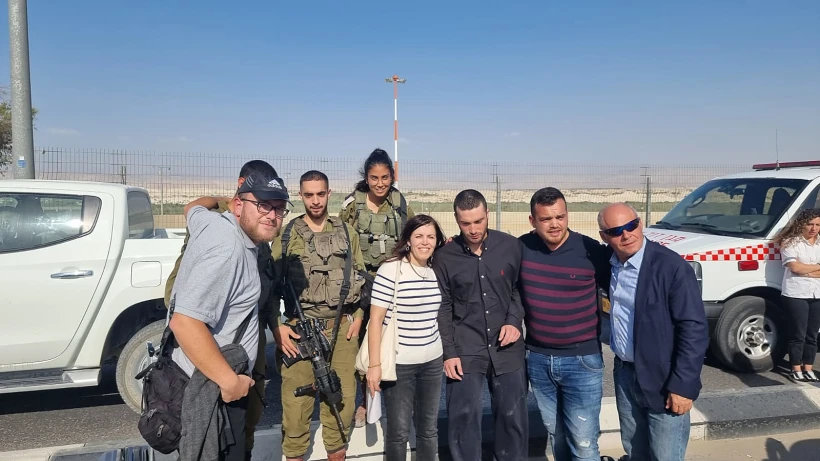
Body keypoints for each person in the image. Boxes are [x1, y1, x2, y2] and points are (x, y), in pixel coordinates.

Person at [169, 171, 291, 461]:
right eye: (262, 206)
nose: (272, 216)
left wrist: (216, 200)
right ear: (238, 206)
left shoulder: (211, 222)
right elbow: (184, 321)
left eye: (278, 208)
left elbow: (192, 209)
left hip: (204, 379)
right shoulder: (229, 249)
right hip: (213, 390)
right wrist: (230, 382)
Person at [597, 203, 709, 461]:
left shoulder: (671, 268)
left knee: (665, 456)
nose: (626, 235)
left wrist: (683, 386)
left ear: (640, 222)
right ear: (604, 236)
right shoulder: (610, 264)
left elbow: (693, 329)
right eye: (616, 231)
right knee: (635, 451)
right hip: (625, 374)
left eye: (631, 225)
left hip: (664, 380)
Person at [272, 170, 367, 461]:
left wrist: (359, 316)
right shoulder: (287, 235)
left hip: (342, 329)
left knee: (342, 402)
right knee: (296, 407)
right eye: (309, 195)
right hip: (300, 331)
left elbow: (360, 277)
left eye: (320, 194)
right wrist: (277, 327)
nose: (315, 201)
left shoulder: (346, 232)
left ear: (329, 193)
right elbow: (269, 287)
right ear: (301, 196)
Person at [433, 189, 528, 461]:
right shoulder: (445, 256)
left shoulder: (511, 247)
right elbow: (444, 306)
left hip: (506, 348)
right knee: (463, 420)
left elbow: (519, 289)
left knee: (513, 420)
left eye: (478, 221)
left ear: (487, 215)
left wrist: (513, 321)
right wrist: (449, 353)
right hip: (465, 348)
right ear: (456, 219)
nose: (473, 229)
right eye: (465, 223)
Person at [518, 187, 611, 461]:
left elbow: (622, 288)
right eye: (546, 219)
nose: (555, 224)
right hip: (538, 359)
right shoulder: (520, 248)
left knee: (583, 443)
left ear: (567, 214)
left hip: (582, 361)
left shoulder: (591, 250)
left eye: (560, 216)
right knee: (557, 437)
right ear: (533, 221)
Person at [339, 148, 414, 426]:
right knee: (362, 345)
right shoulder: (352, 205)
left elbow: (413, 233)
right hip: (362, 285)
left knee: (395, 342)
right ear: (366, 178)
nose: (380, 183)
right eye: (374, 178)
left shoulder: (400, 203)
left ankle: (397, 401)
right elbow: (341, 241)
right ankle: (363, 402)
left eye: (385, 177)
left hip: (394, 283)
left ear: (392, 177)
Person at [365, 214, 447, 461]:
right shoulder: (391, 269)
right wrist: (374, 365)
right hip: (400, 364)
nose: (425, 242)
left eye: (431, 237)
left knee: (428, 431)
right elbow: (376, 320)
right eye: (419, 236)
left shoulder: (438, 270)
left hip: (432, 361)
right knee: (399, 433)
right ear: (408, 240)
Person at [772, 208, 820, 382]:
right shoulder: (791, 242)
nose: (814, 228)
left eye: (817, 225)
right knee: (797, 334)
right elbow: (795, 268)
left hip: (817, 294)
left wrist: (806, 270)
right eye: (810, 224)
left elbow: (801, 268)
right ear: (801, 224)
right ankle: (795, 368)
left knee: (812, 334)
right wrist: (816, 267)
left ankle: (808, 367)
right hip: (796, 293)